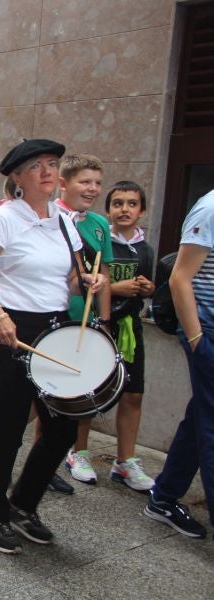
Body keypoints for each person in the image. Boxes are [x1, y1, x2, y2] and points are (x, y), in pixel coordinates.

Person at [0, 139, 106, 554]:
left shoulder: (64, 222)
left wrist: (89, 282)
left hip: (58, 328)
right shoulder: (3, 221)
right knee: (8, 429)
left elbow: (69, 278)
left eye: (52, 164)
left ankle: (23, 504)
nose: (47, 172)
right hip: (16, 328)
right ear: (17, 177)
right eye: (36, 166)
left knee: (63, 426)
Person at [143, 188, 214, 540]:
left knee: (202, 416)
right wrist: (198, 338)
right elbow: (179, 278)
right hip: (208, 333)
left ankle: (165, 496)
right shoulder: (209, 209)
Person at [54, 155, 114, 486]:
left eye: (96, 183)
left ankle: (78, 452)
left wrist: (103, 321)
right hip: (57, 317)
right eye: (84, 181)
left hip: (87, 321)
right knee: (48, 396)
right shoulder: (53, 219)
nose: (92, 189)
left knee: (82, 392)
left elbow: (102, 273)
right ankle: (38, 459)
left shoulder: (100, 225)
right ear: (64, 183)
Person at [103, 181, 156, 491]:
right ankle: (78, 451)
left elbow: (148, 286)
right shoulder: (99, 242)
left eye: (132, 203)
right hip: (103, 324)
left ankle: (125, 461)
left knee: (133, 393)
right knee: (92, 392)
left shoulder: (145, 249)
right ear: (108, 209)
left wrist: (147, 290)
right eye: (118, 203)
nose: (125, 209)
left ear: (142, 210)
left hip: (130, 330)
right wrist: (115, 289)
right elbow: (85, 284)